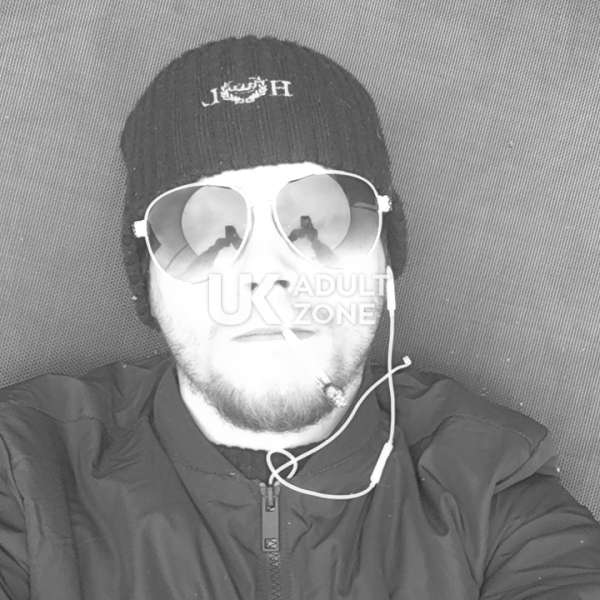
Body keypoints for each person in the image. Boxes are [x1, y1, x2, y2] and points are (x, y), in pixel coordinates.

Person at [0, 35, 599, 600]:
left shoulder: (489, 481)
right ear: (147, 275)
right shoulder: (24, 470)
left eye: (325, 216)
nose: (267, 273)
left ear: (385, 255)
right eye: (202, 228)